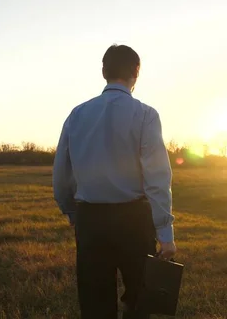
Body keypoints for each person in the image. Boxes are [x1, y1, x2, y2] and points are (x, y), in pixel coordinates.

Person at [52, 44, 176, 319]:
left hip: (90, 219)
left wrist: (72, 212)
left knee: (95, 303)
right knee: (141, 300)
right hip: (134, 219)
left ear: (104, 72)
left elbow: (61, 172)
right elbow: (157, 177)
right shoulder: (145, 114)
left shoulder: (77, 114)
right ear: (136, 73)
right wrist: (165, 234)